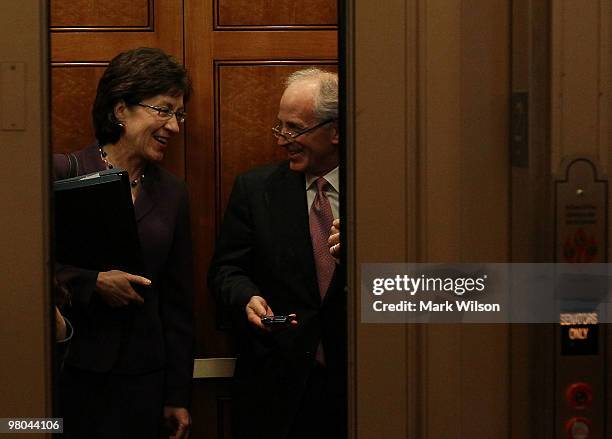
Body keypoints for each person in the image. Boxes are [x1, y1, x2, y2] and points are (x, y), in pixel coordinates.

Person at [53, 47, 194, 439]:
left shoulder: (174, 193)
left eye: (179, 114)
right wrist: (91, 282)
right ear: (120, 110)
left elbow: (178, 302)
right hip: (72, 371)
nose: (175, 126)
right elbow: (22, 267)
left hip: (143, 383)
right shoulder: (62, 173)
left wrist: (177, 394)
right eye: (163, 110)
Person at [208, 68, 345, 439]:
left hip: (363, 387)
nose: (284, 140)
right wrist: (246, 297)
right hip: (276, 389)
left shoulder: (381, 191)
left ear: (335, 130)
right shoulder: (255, 190)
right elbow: (226, 270)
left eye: (295, 129)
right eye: (279, 127)